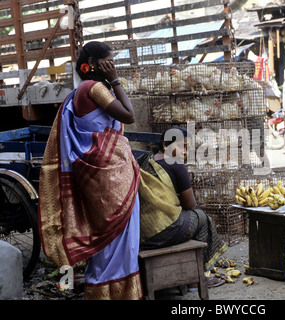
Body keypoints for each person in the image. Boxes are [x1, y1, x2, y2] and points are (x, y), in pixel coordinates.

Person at [38, 41, 143, 300]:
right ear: (94, 64)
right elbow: (129, 115)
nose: (113, 65)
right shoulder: (94, 88)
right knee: (114, 240)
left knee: (114, 241)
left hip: (107, 176)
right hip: (110, 179)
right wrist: (115, 80)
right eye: (109, 61)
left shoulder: (83, 90)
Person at [136, 127, 228, 287]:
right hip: (163, 232)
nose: (185, 152)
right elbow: (190, 205)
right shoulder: (176, 165)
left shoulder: (144, 160)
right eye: (182, 146)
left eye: (188, 148)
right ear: (166, 145)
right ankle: (197, 278)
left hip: (140, 235)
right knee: (201, 217)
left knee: (188, 218)